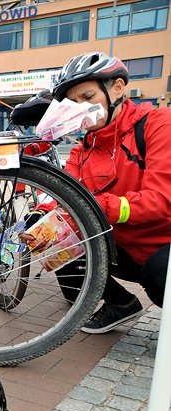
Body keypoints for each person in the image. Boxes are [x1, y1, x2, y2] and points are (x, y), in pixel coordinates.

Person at [47, 52, 171, 333]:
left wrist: (96, 207)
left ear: (117, 88)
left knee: (161, 276)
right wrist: (41, 218)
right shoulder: (82, 149)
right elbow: (64, 196)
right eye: (73, 103)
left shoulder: (159, 124)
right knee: (57, 245)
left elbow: (162, 201)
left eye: (88, 97)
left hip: (161, 247)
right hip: (121, 248)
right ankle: (121, 303)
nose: (82, 108)